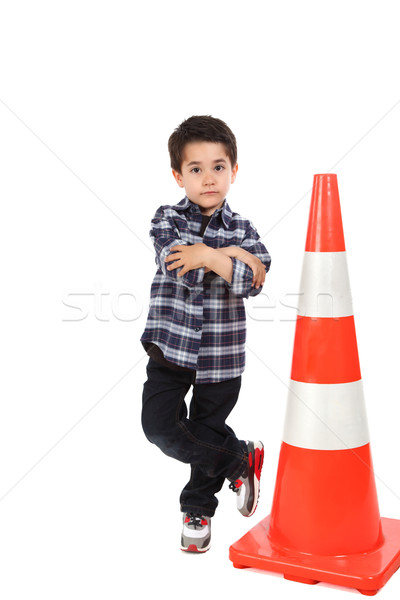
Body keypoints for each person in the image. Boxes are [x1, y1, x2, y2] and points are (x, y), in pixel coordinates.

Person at [140, 115, 271, 553]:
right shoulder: (166, 219)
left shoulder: (244, 228)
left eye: (218, 166)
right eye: (196, 169)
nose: (209, 177)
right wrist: (228, 257)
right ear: (179, 175)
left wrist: (214, 255)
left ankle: (198, 507)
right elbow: (180, 269)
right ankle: (237, 458)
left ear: (234, 170)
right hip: (170, 347)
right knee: (160, 427)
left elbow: (253, 280)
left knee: (205, 425)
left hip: (222, 353)